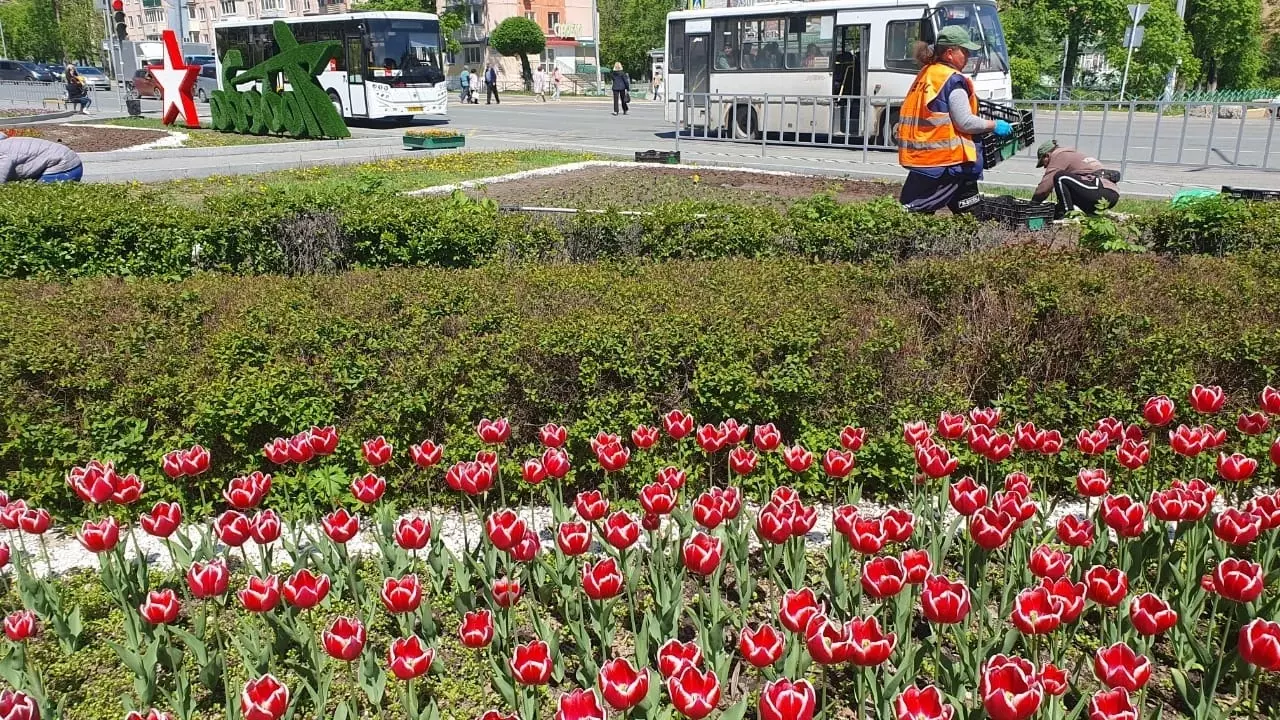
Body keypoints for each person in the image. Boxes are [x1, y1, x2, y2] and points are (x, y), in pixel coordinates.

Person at [897, 26, 1013, 214]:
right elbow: (964, 122)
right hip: (946, 162)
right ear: (950, 53)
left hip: (926, 158)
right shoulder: (952, 80)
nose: (968, 56)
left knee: (968, 208)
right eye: (965, 51)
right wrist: (994, 125)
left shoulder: (927, 74)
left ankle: (966, 241)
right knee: (914, 210)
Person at [1032, 140, 1120, 218]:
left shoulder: (1060, 155)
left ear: (1047, 155)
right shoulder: (1075, 155)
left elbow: (1044, 188)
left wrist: (1033, 204)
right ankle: (1084, 215)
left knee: (1060, 177)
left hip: (1100, 190)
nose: (1045, 167)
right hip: (1110, 194)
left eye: (1043, 163)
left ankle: (1068, 215)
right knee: (1068, 189)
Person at [0, 136, 83, 183]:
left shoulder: (3, 154)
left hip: (64, 166)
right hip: (66, 160)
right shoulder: (5, 144)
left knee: (38, 198)